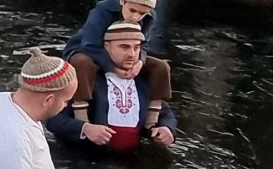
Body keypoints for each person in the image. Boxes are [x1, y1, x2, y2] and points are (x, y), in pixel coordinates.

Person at [47, 23, 178, 154]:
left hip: (130, 159)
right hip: (86, 156)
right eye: (124, 47)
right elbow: (53, 120)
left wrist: (167, 128)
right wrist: (85, 128)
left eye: (136, 47)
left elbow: (165, 112)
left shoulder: (143, 81)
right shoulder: (86, 78)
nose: (132, 54)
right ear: (106, 47)